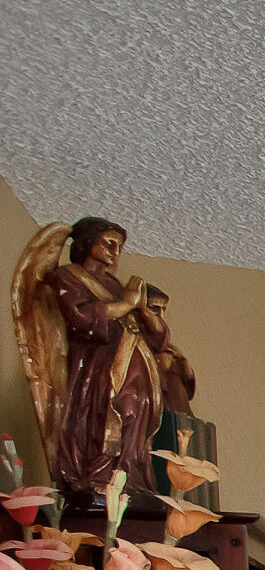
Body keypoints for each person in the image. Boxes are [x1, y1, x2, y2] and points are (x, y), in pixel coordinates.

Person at [11, 216, 165, 505]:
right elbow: (82, 318)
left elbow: (157, 338)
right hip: (97, 369)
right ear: (87, 242)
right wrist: (126, 305)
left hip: (135, 370)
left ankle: (129, 477)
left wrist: (141, 309)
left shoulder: (117, 285)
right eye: (109, 243)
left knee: (136, 417)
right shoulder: (67, 277)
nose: (114, 251)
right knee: (105, 414)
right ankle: (98, 476)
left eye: (119, 246)